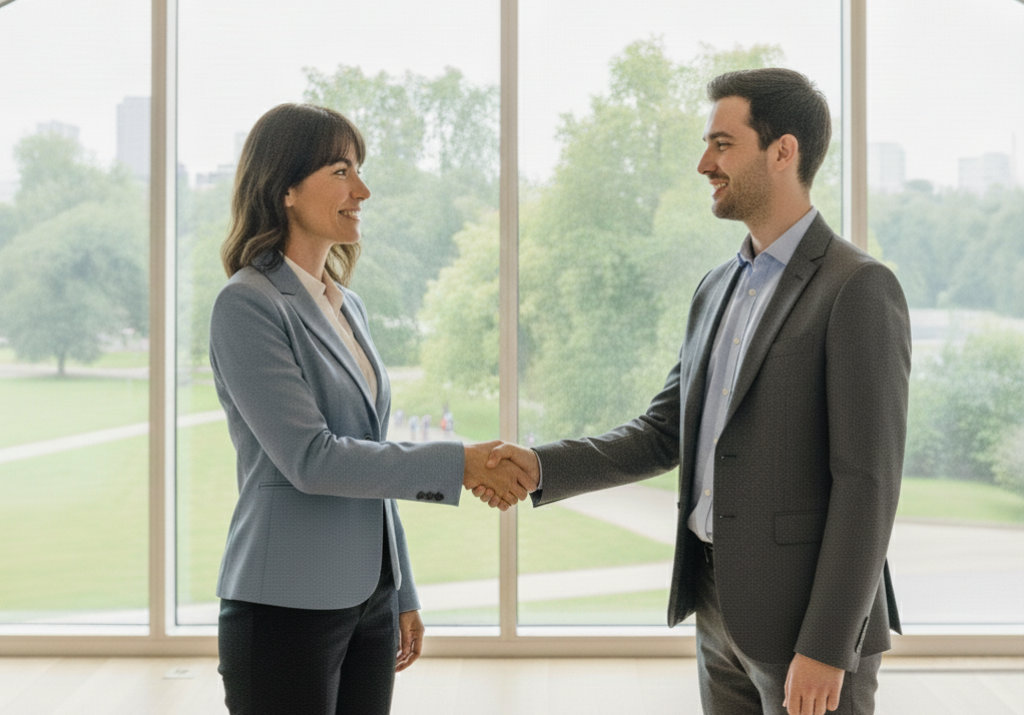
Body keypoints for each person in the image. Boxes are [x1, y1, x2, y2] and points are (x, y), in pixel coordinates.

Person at [484, 68, 911, 715]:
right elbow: (663, 431)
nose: (702, 163)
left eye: (721, 144)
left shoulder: (857, 286)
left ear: (783, 151)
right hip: (717, 607)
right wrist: (541, 465)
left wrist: (827, 645)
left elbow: (867, 484)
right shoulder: (716, 287)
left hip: (808, 622)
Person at [209, 102, 527, 714]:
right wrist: (459, 462)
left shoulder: (346, 305)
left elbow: (371, 451)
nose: (363, 189)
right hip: (284, 605)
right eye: (341, 171)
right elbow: (312, 459)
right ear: (286, 189)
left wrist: (399, 584)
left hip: (370, 599)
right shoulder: (247, 305)